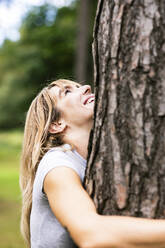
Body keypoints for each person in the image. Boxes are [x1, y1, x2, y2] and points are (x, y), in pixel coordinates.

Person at [20, 79, 165, 248]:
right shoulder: (57, 165)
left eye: (77, 86)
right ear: (56, 124)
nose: (87, 87)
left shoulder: (95, 160)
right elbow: (91, 234)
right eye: (67, 92)